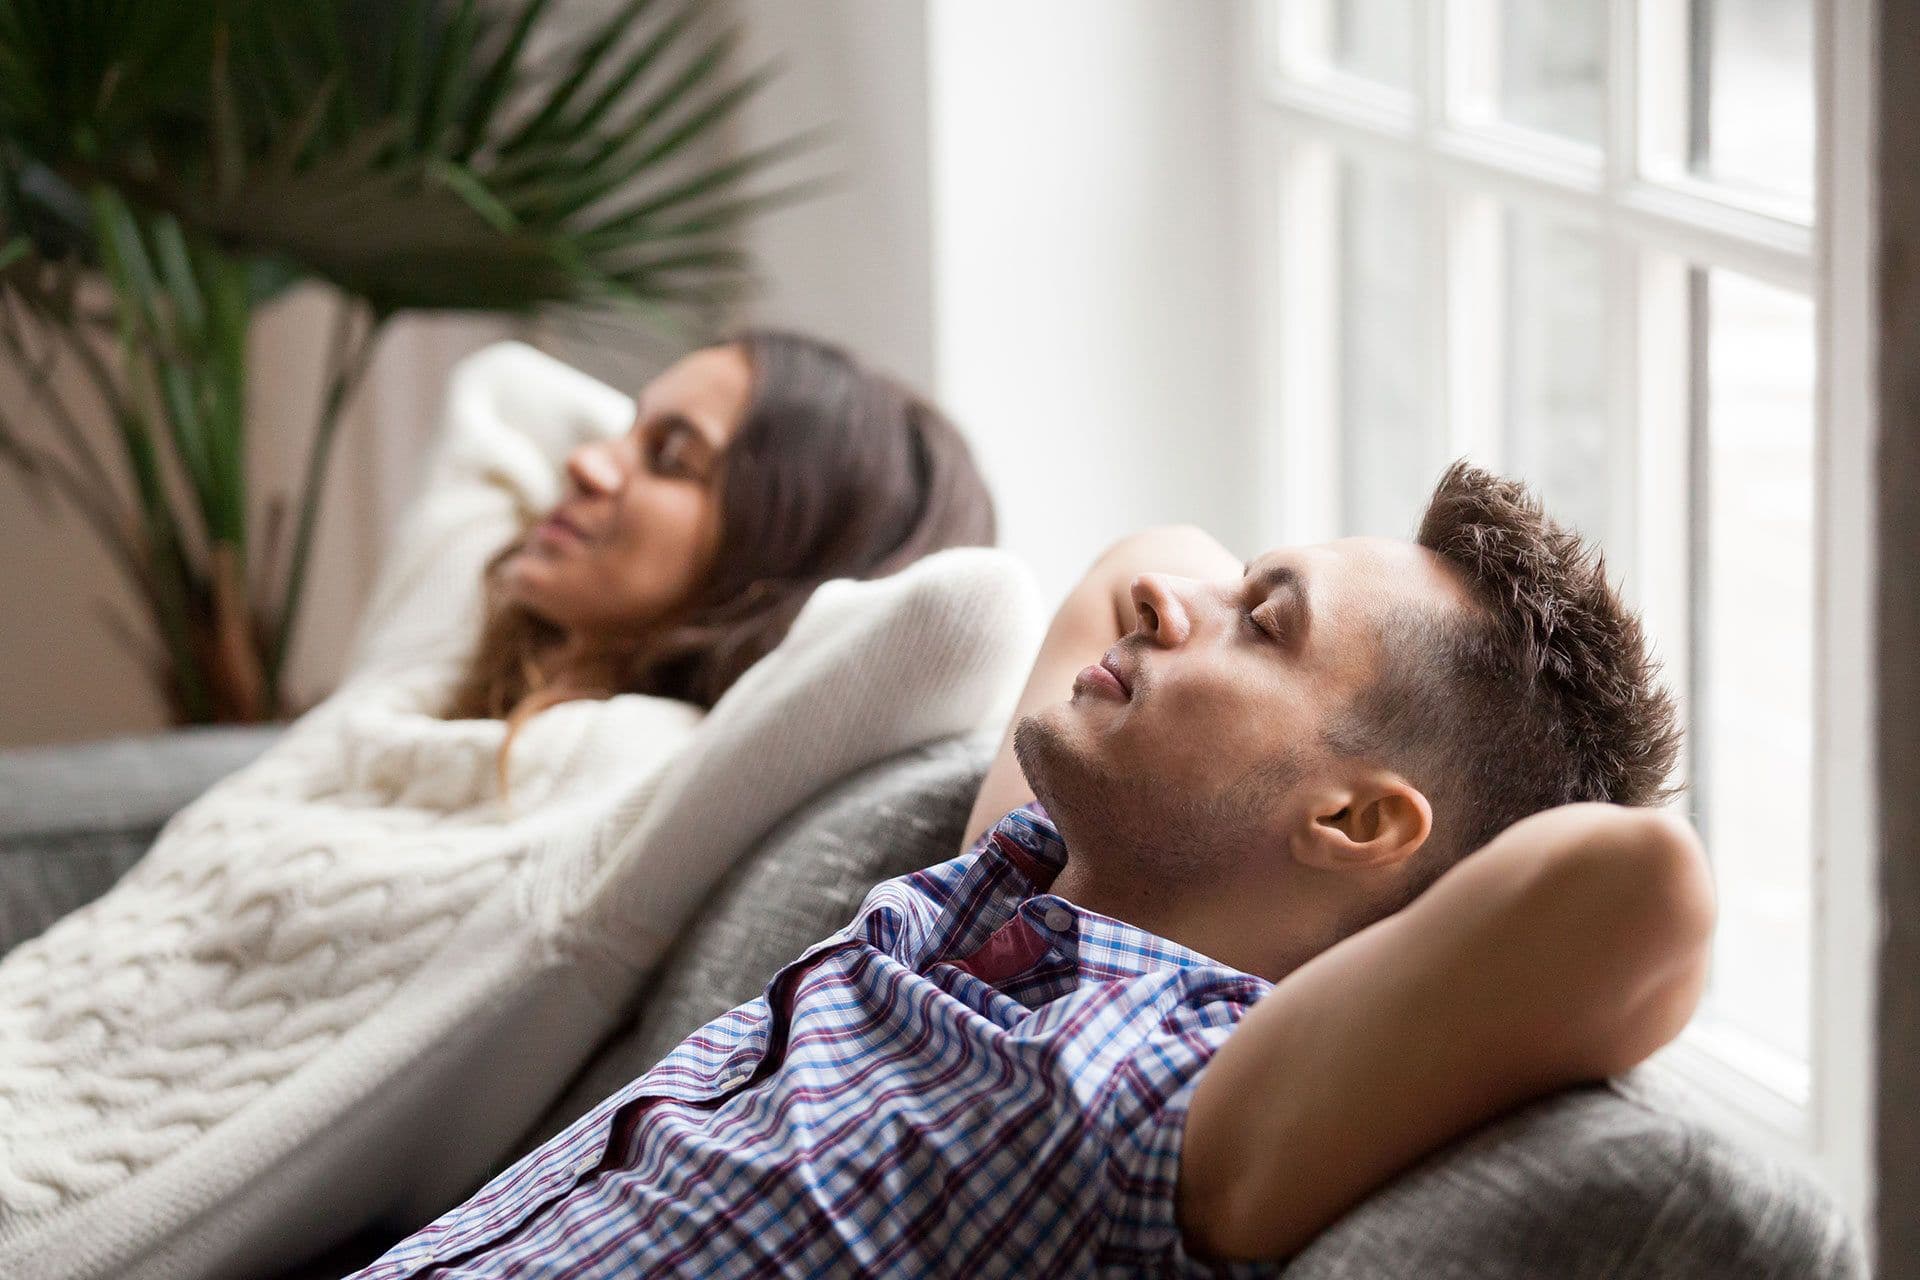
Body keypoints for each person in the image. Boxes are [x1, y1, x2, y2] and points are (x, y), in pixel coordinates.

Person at [347, 462, 1712, 1277]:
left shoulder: (1178, 1096)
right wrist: (1243, 610)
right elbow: (1150, 558)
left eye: (1264, 623)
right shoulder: (1017, 874)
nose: (1171, 602)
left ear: (1357, 824)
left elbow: (1643, 890)